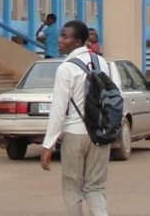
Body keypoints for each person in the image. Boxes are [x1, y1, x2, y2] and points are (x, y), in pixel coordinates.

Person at [40, 20, 113, 216]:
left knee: (73, 189)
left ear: (78, 41)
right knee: (96, 188)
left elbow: (58, 109)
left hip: (74, 134)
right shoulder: (102, 62)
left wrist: (49, 144)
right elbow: (114, 97)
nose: (59, 40)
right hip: (99, 134)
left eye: (65, 36)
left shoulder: (66, 68)